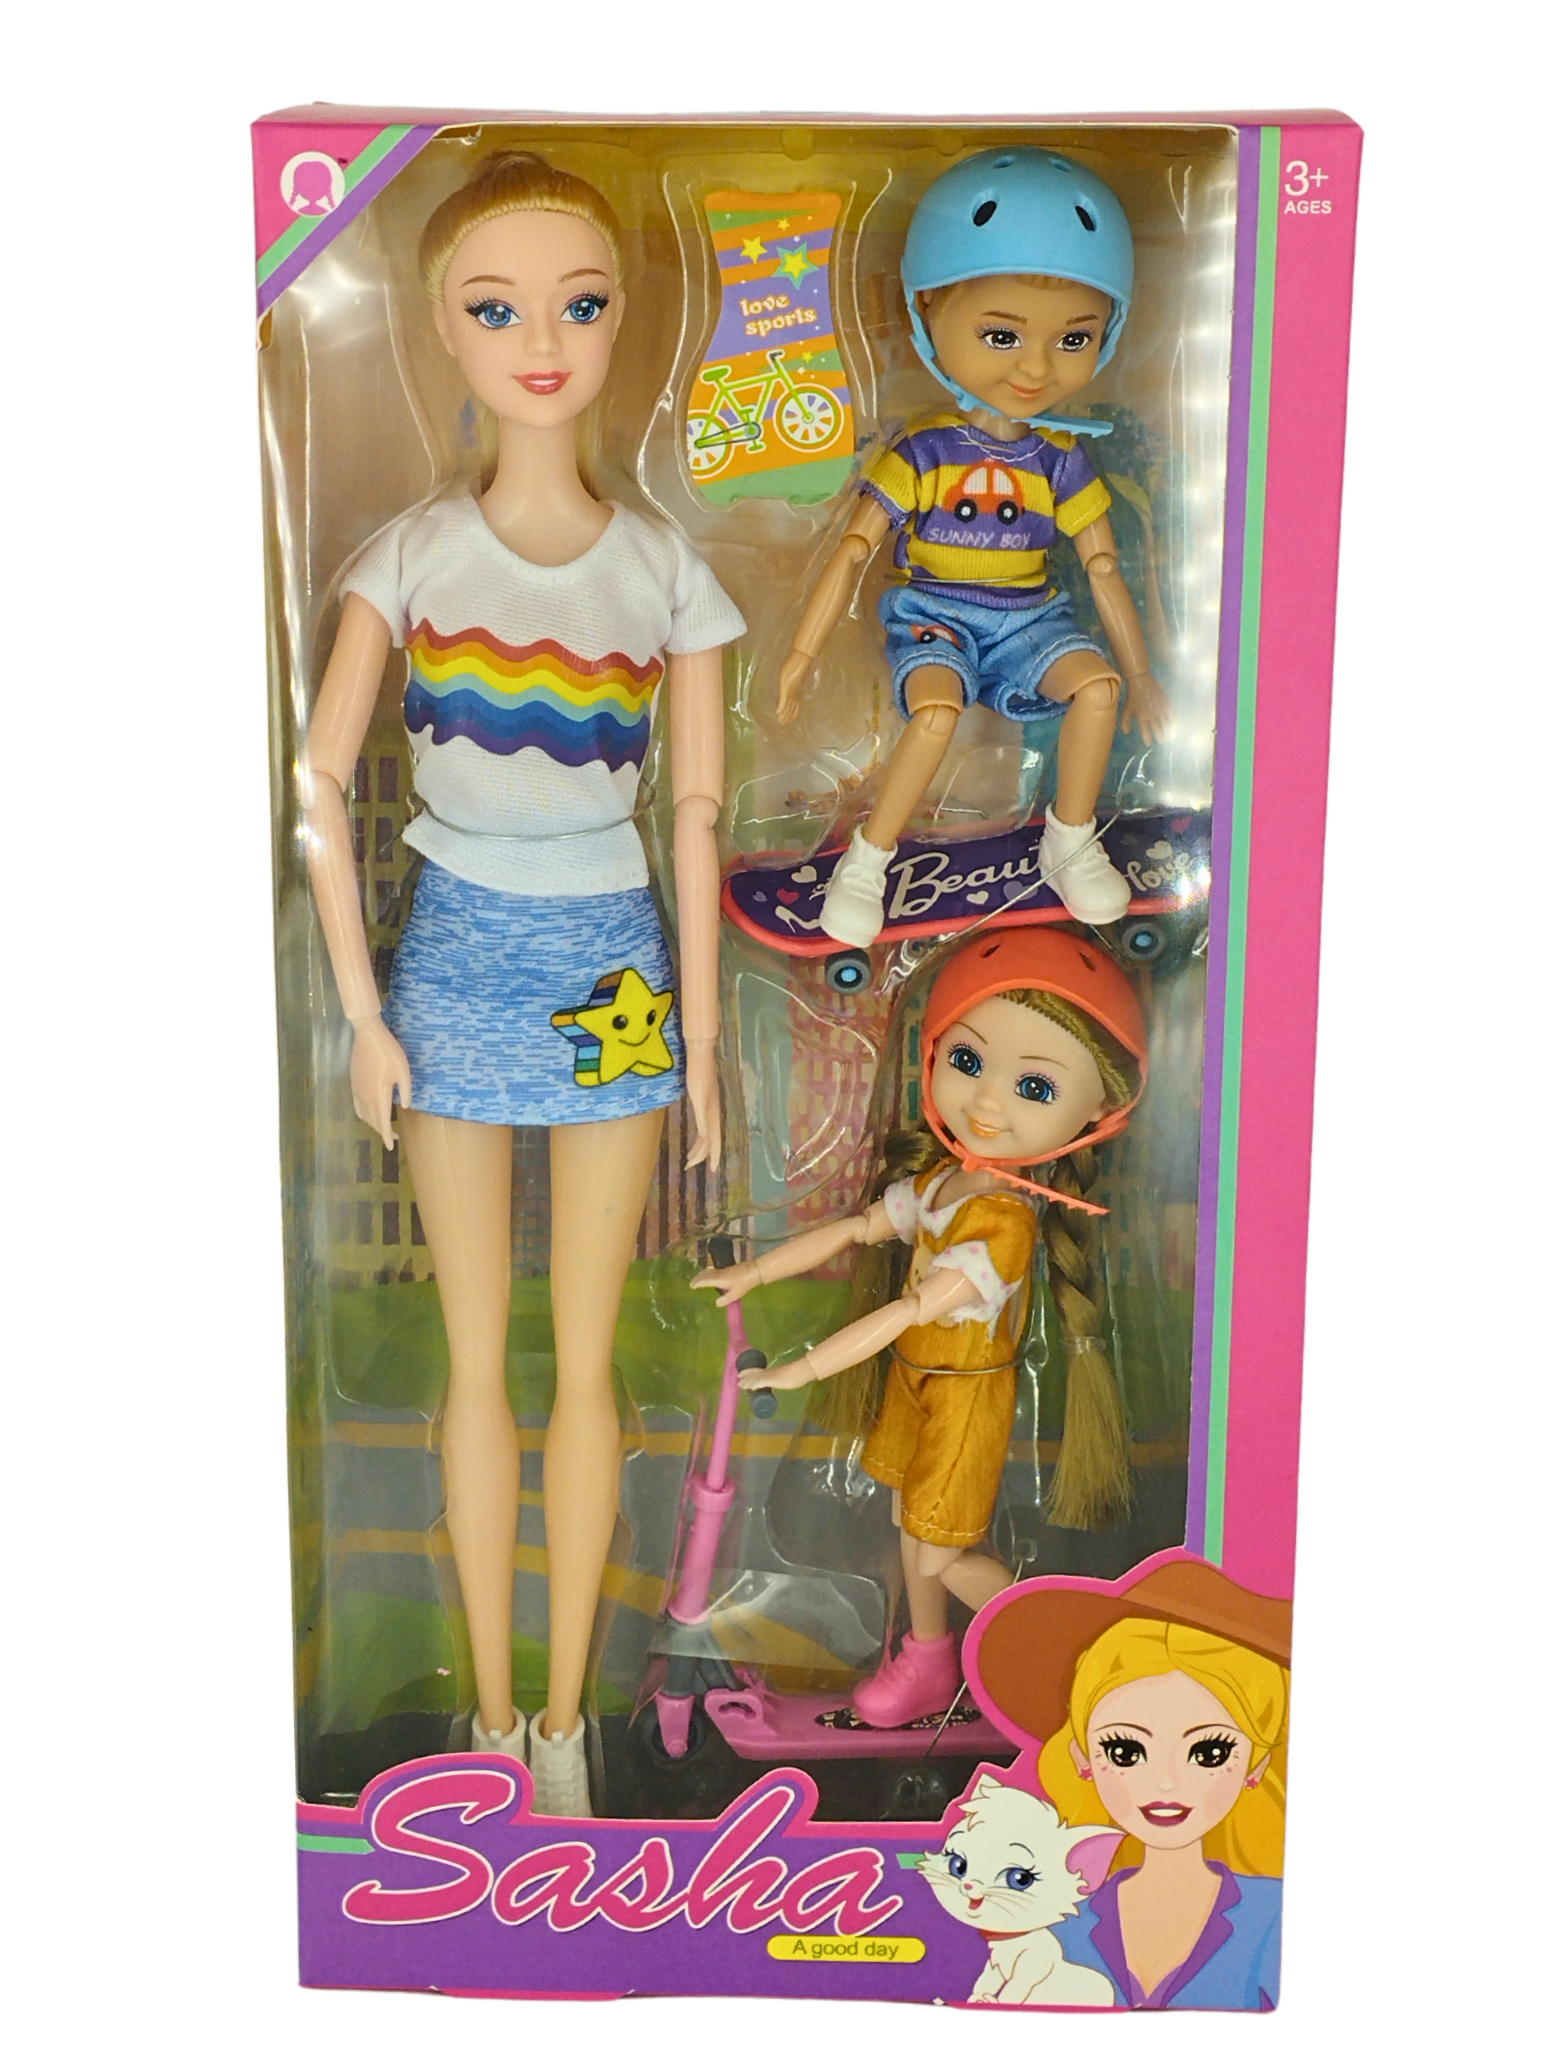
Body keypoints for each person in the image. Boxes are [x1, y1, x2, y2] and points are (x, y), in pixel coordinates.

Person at [300, 151, 744, 1814]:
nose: (541, 342)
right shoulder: (409, 554)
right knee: (477, 1358)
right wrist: (362, 1010)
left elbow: (695, 814)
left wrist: (704, 1040)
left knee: (587, 1361)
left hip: (615, 961)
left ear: (625, 318)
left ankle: (567, 1725)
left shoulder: (664, 569)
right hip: (452, 960)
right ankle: (489, 1715)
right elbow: (317, 783)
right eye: (496, 308)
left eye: (579, 302)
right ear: (440, 326)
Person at [696, 925, 1146, 1728]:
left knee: (940, 1550)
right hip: (918, 1384)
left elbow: (910, 1308)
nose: (987, 1102)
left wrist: (798, 1372)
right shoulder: (943, 1183)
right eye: (967, 1061)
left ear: (1099, 1111)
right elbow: (857, 1228)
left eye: (1033, 1087)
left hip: (964, 1397)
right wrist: (753, 1273)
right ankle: (929, 1660)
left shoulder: (1004, 1223)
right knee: (911, 1527)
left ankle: (1078, 1658)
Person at [775, 147, 1171, 945]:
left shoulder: (1060, 458)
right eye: (1000, 334)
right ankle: (867, 860)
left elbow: (1100, 565)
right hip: (936, 614)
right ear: (927, 314)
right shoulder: (924, 452)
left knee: (1095, 693)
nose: (1035, 367)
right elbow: (853, 550)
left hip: (1031, 619)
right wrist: (799, 655)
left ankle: (1069, 838)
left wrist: (1136, 675)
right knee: (936, 713)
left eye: (1074, 339)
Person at [969, 1553, 1289, 2010]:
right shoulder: (1055, 1917)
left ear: (1256, 1765)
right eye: (1125, 1752)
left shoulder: (1277, 1916)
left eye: (1208, 1753)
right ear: (1082, 1757)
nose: (1165, 1782)